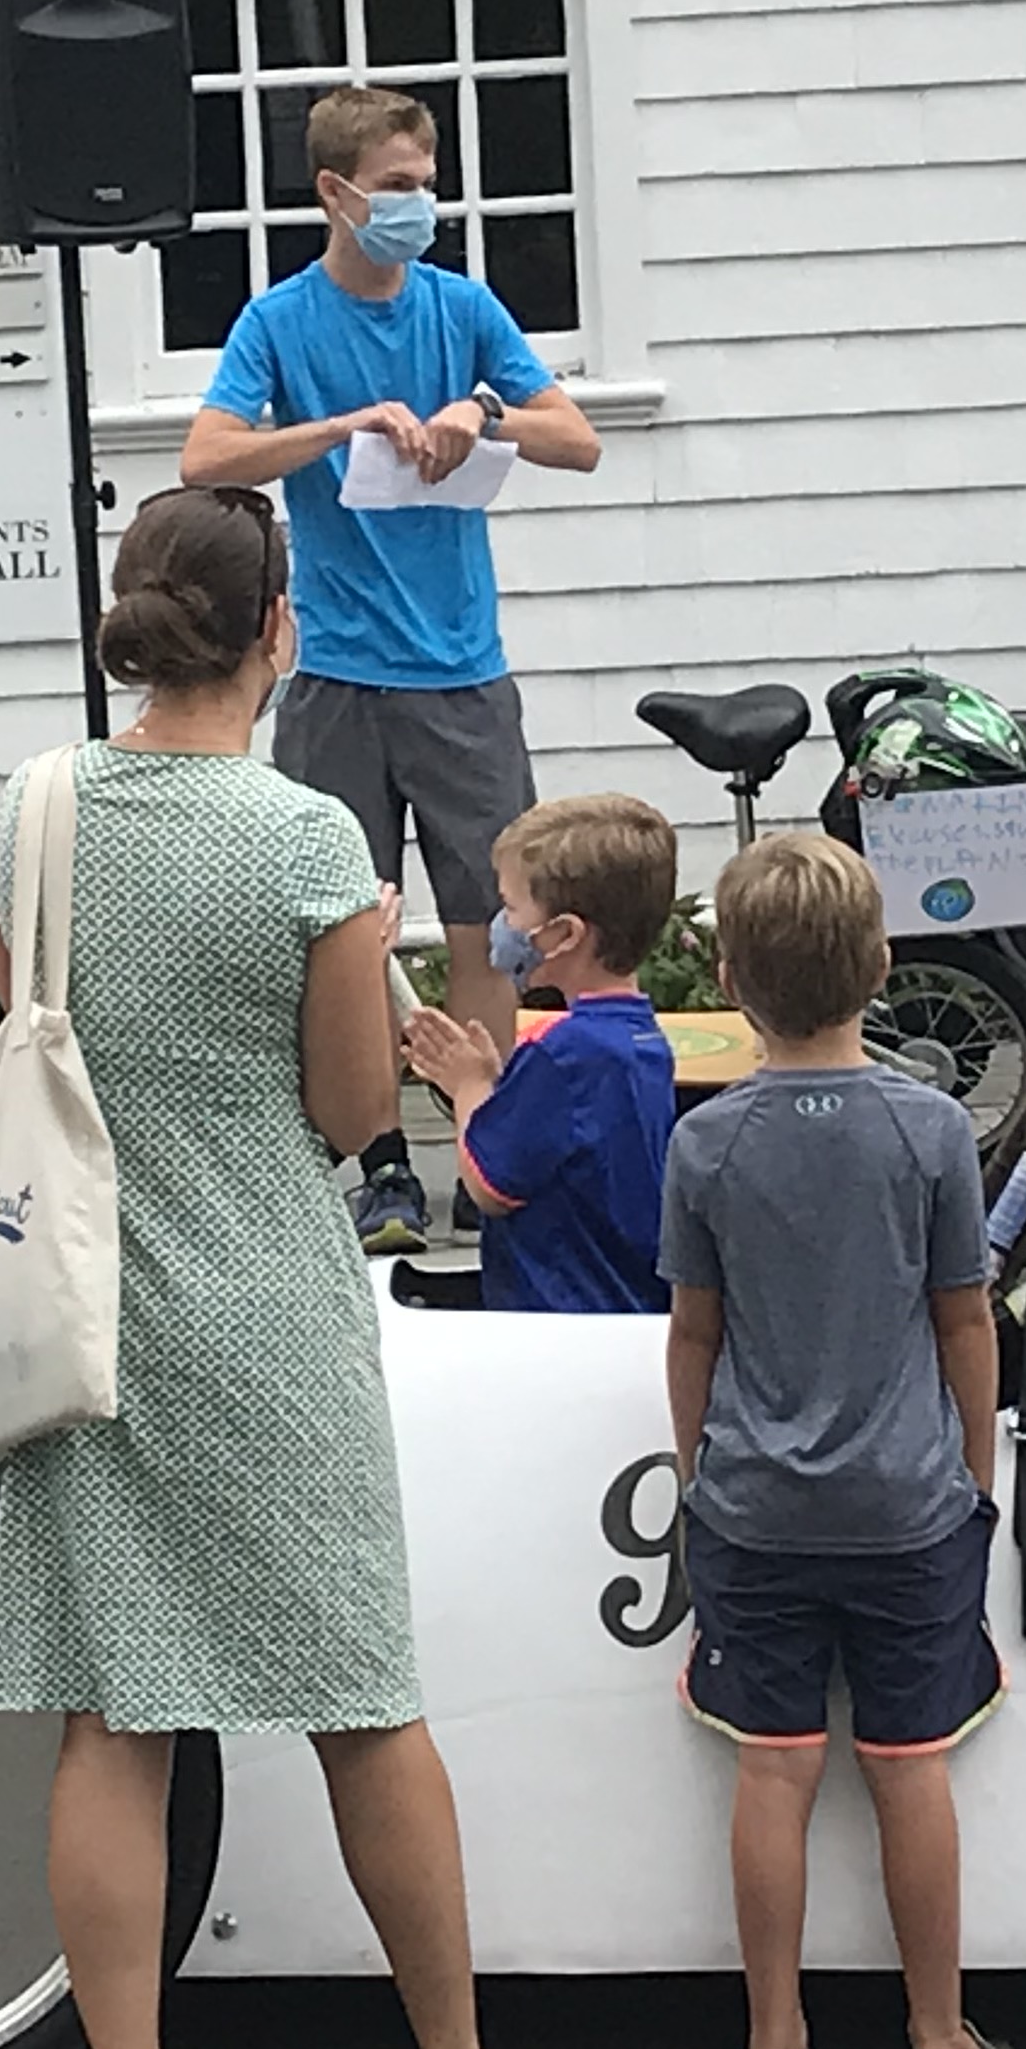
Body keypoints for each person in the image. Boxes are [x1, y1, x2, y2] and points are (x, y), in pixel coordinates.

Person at [0, 485, 553, 2049]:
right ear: (277, 632)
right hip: (267, 1310)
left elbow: (29, 1017)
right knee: (359, 1693)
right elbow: (353, 1104)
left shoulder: (32, 809)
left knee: (115, 1711)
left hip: (81, 1305)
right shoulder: (306, 838)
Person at [182, 82, 603, 1258]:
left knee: (491, 929)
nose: (421, 206)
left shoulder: (463, 310)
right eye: (402, 187)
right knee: (349, 930)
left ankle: (484, 1157)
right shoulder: (281, 320)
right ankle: (381, 1168)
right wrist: (341, 427)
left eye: (428, 184)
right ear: (338, 193)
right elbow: (205, 452)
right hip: (337, 677)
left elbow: (578, 437)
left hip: (462, 672)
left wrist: (481, 414)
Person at [661, 833, 1019, 2049]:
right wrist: (972, 1479)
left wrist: (703, 1478)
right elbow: (963, 1322)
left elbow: (693, 1333)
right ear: (879, 965)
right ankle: (936, 2039)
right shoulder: (931, 1131)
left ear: (730, 978)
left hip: (755, 1508)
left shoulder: (706, 1145)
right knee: (909, 1766)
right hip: (907, 1505)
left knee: (776, 1766)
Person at [398, 794, 680, 1314]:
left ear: (564, 934)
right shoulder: (642, 1039)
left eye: (511, 908)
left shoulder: (562, 1052)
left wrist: (469, 1088)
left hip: (560, 1317)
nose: (502, 924)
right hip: (628, 1304)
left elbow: (489, 1184)